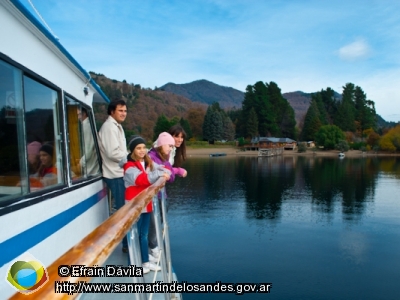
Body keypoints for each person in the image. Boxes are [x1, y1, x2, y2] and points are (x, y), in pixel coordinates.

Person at [119, 135, 171, 273]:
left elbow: (162, 168)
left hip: (145, 203)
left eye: (143, 147)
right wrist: (160, 176)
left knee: (144, 234)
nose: (142, 150)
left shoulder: (146, 162)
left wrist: (164, 172)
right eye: (138, 148)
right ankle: (136, 264)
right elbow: (142, 180)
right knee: (135, 235)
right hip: (134, 204)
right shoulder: (129, 167)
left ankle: (144, 260)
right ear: (132, 151)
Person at [98, 99, 128, 252]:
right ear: (112, 112)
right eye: (120, 110)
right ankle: (126, 245)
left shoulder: (117, 126)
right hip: (114, 174)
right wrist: (131, 158)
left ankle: (126, 243)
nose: (124, 113)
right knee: (123, 210)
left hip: (119, 173)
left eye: (125, 111)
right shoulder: (109, 127)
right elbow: (113, 152)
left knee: (124, 209)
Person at [147, 132, 176, 256]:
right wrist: (164, 173)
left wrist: (167, 174)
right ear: (162, 145)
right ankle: (152, 247)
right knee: (153, 223)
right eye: (169, 145)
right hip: (152, 197)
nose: (171, 149)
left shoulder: (165, 158)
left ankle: (154, 244)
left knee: (160, 220)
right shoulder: (151, 157)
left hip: (162, 196)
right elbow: (148, 176)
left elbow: (172, 176)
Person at [78, 107, 99, 176]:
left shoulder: (86, 126)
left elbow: (89, 149)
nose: (78, 117)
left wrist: (81, 163)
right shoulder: (90, 125)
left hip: (91, 168)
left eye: (79, 115)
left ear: (84, 114)